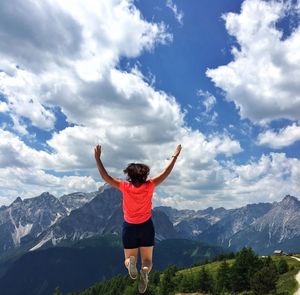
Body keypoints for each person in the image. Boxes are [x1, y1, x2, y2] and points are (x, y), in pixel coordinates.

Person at [94, 144, 182, 293]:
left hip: (129, 227)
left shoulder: (124, 186)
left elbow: (105, 177)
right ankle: (145, 271)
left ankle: (130, 264)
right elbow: (166, 172)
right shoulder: (150, 185)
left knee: (127, 258)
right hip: (146, 226)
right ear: (144, 175)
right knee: (147, 260)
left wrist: (97, 158)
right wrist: (175, 155)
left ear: (129, 175)